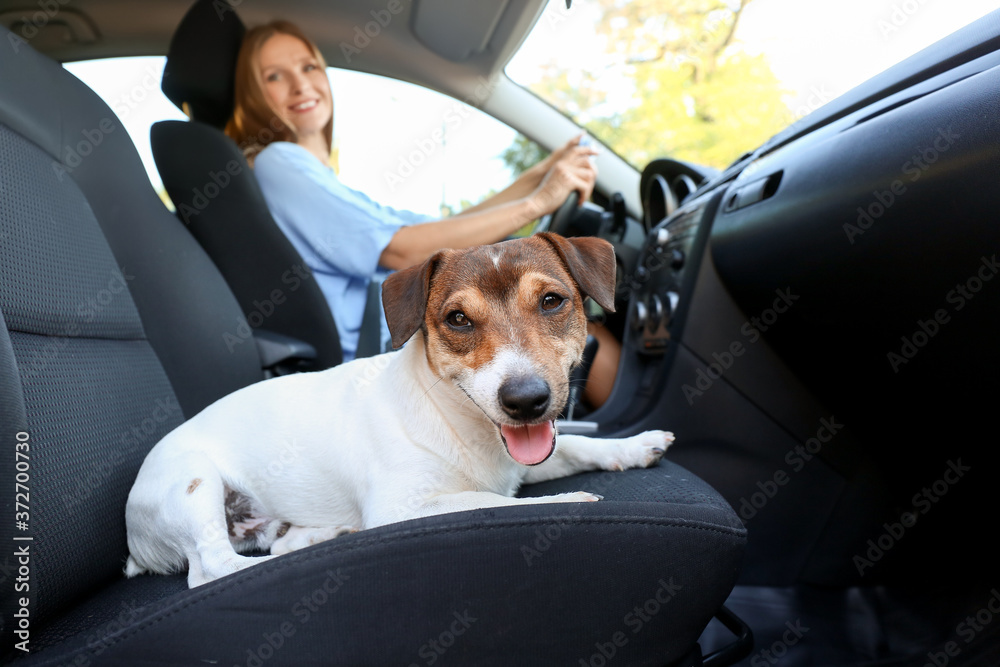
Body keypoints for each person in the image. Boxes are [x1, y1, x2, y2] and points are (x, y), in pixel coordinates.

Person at [225, 20, 619, 409]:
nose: (300, 85)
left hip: (386, 348)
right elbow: (402, 251)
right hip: (381, 356)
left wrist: (537, 179)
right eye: (274, 76)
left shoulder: (320, 182)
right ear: (252, 94)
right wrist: (538, 203)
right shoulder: (280, 162)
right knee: (589, 334)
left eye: (309, 67)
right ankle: (640, 425)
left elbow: (442, 236)